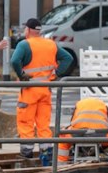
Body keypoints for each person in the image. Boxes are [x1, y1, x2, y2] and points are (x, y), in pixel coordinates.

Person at [10, 18, 74, 161]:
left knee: (26, 121)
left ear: (28, 30)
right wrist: (57, 74)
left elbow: (14, 61)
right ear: (39, 31)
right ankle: (46, 152)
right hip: (46, 89)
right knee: (43, 122)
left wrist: (21, 74)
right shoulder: (51, 44)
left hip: (30, 89)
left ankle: (26, 152)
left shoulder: (25, 44)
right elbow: (68, 58)